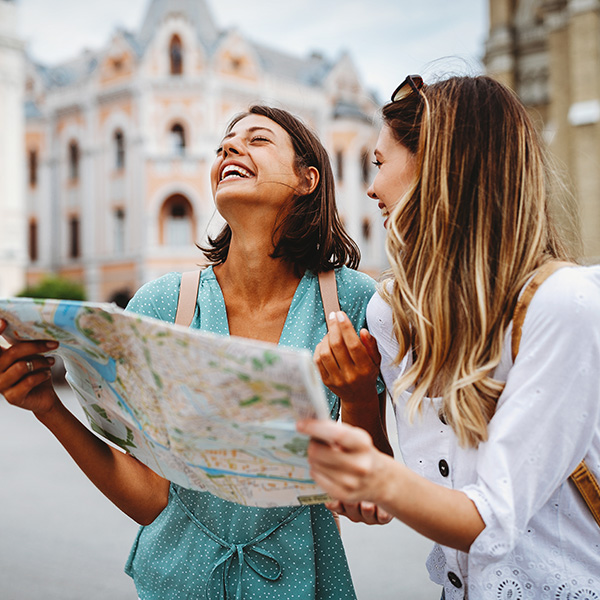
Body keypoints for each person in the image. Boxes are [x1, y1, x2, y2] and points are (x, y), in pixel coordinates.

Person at [0, 105, 385, 599]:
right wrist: (49, 408)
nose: (229, 148)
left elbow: (372, 491)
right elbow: (150, 498)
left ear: (307, 179)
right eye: (224, 142)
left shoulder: (351, 302)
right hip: (174, 583)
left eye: (257, 140)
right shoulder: (161, 305)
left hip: (302, 583)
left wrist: (357, 398)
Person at [299, 75, 600, 597]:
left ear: (438, 165)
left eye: (379, 163)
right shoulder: (391, 313)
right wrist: (356, 401)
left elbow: (491, 519)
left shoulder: (562, 303)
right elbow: (395, 497)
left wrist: (371, 475)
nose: (370, 188)